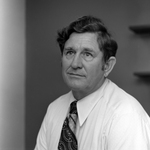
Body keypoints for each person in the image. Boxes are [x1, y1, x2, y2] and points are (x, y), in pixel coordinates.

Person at [34, 15, 150, 150]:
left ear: (107, 66)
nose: (75, 63)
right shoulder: (54, 109)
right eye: (70, 52)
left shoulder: (125, 116)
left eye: (87, 54)